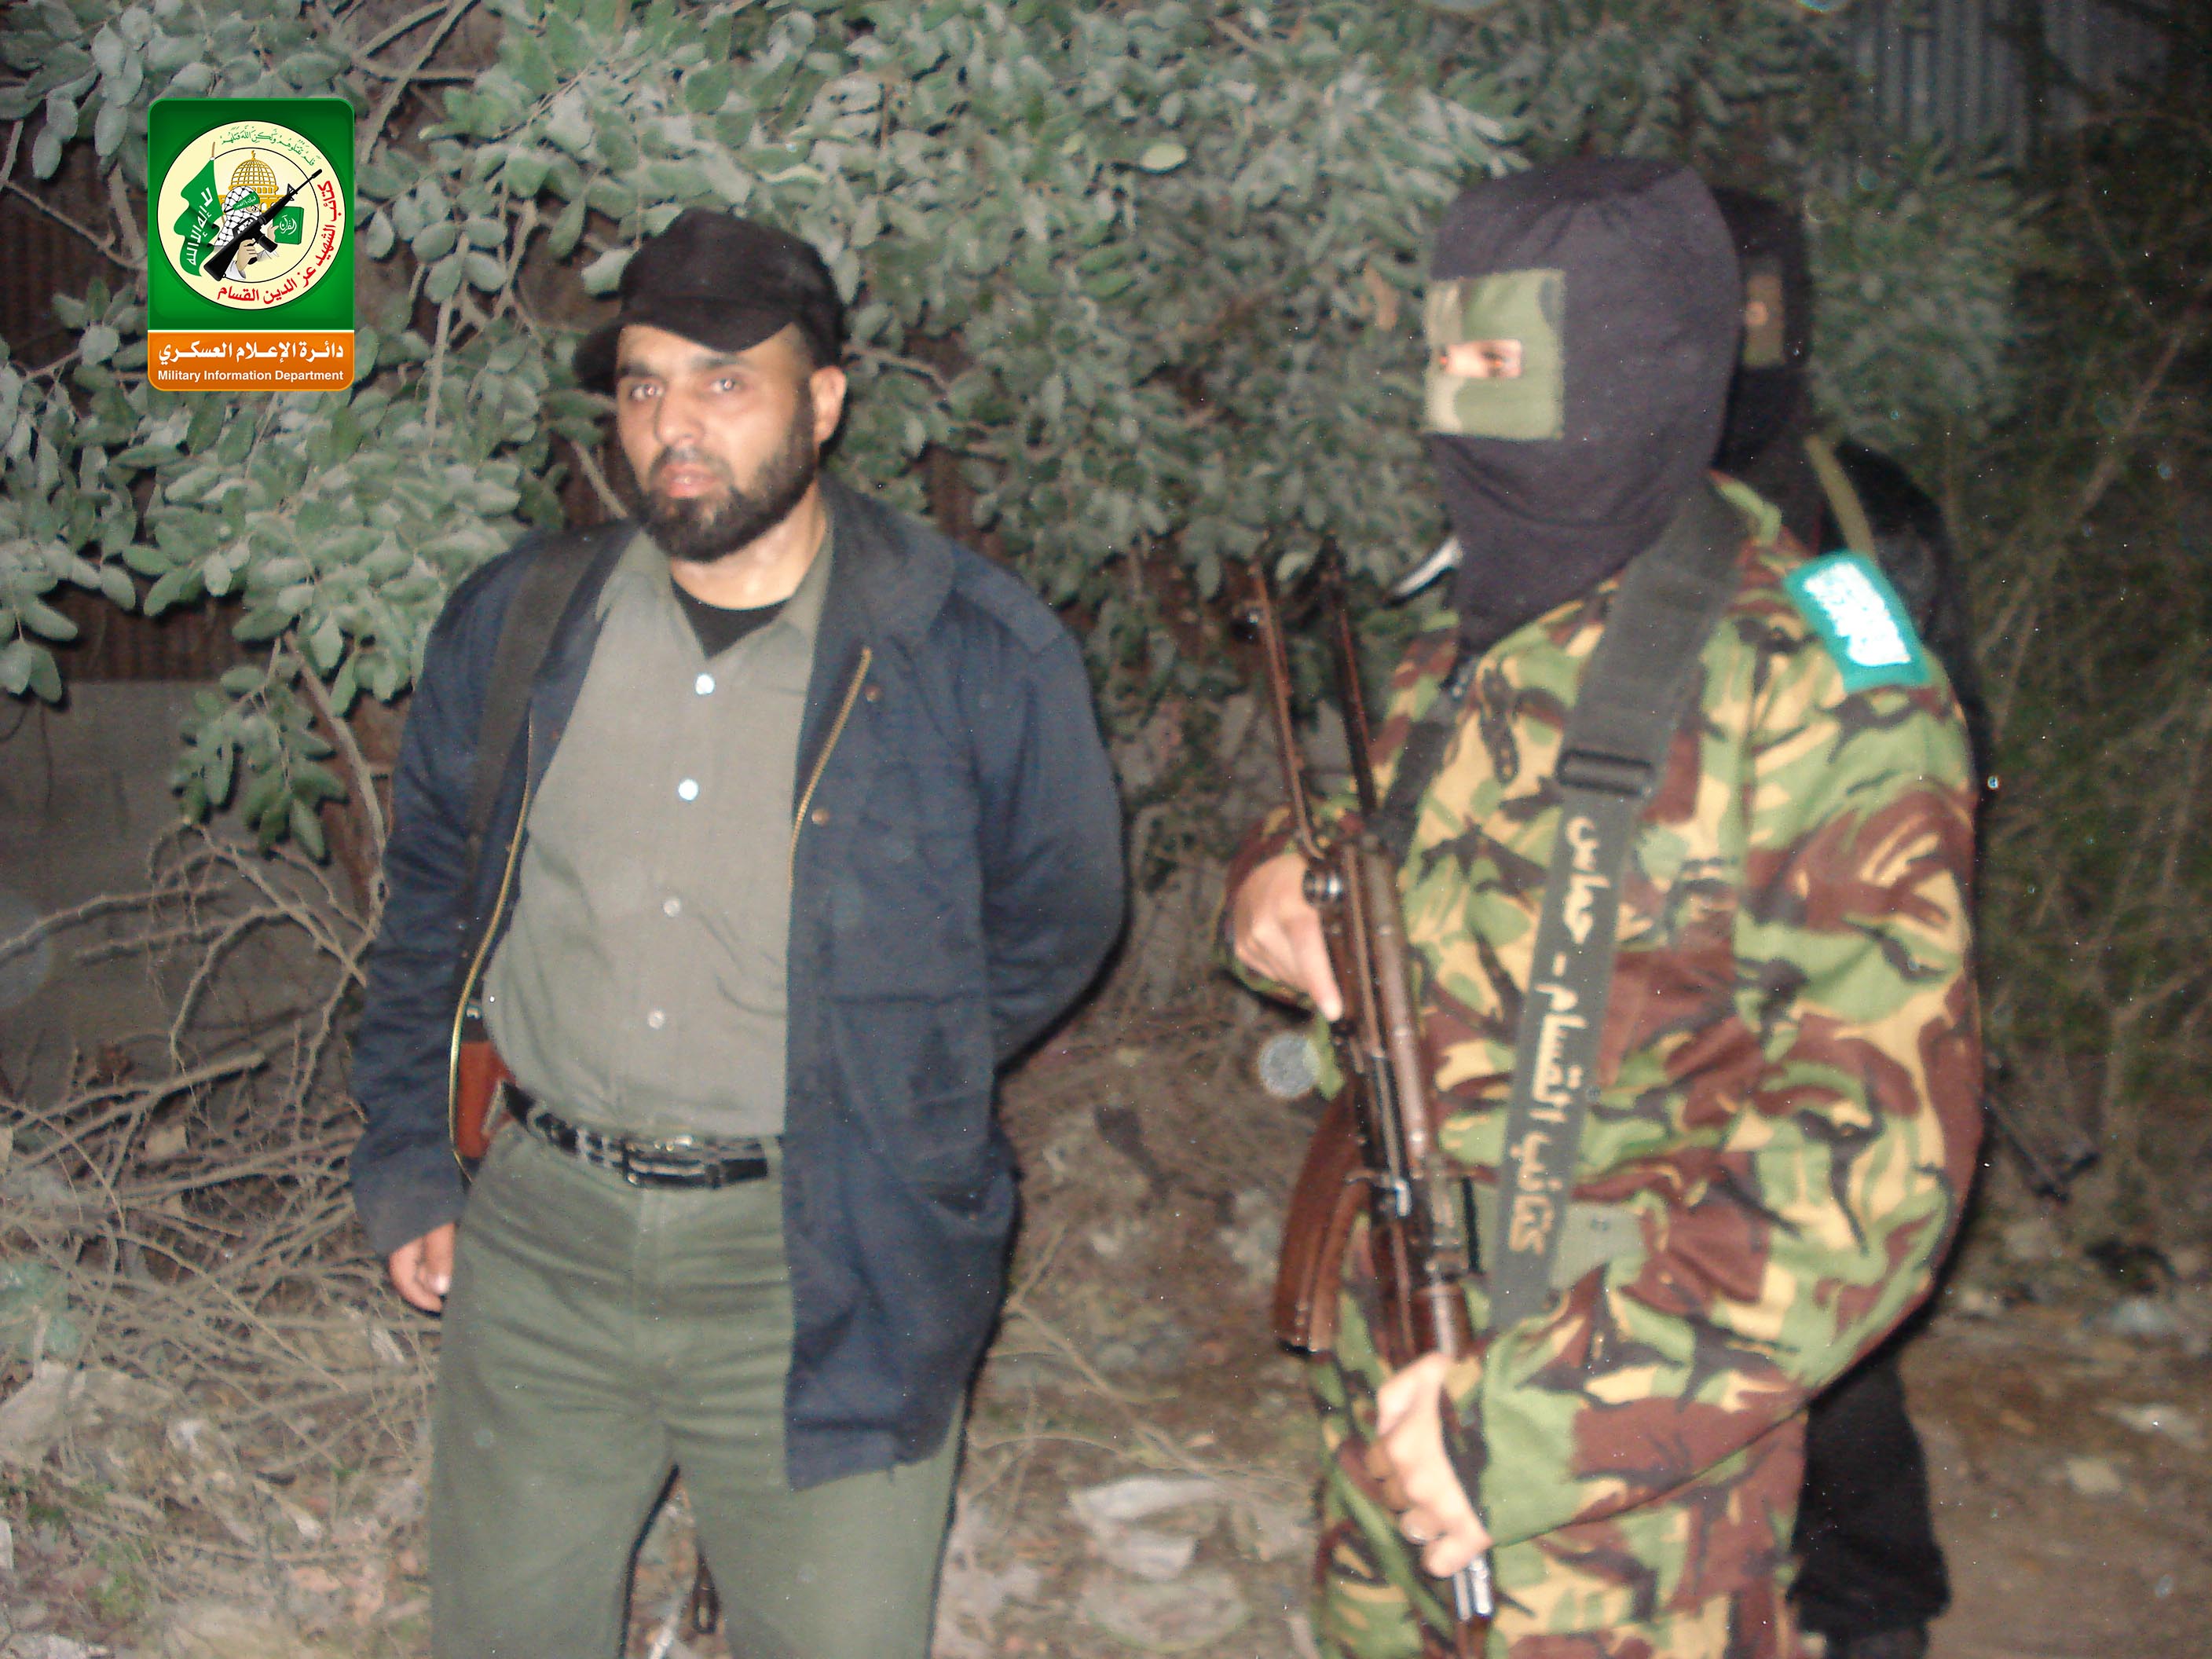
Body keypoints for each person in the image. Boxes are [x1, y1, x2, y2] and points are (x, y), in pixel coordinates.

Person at [1227, 159, 1983, 1659]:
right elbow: (1362, 841)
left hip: (1622, 1487)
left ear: (1642, 363)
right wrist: (1265, 890)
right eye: (1445, 358)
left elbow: (1874, 1169)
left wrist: (1519, 1429)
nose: (1461, 407)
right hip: (1393, 1386)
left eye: (1501, 361)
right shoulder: (1471, 642)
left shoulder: (1817, 685)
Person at [347, 209, 1125, 1659]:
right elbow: (434, 903)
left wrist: (888, 1068)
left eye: (725, 382)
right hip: (543, 1244)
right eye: (645, 385)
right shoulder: (524, 622)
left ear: (822, 402)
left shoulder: (962, 647)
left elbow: (1060, 913)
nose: (675, 427)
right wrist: (407, 1156)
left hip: (829, 1257)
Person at [1712, 184, 1996, 1659]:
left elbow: (1942, 746)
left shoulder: (1860, 515)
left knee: (1834, 1333)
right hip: (1648, 984)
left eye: (1758, 305)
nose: (1736, 337)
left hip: (1830, 974)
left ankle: (1873, 1602)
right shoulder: (1598, 496)